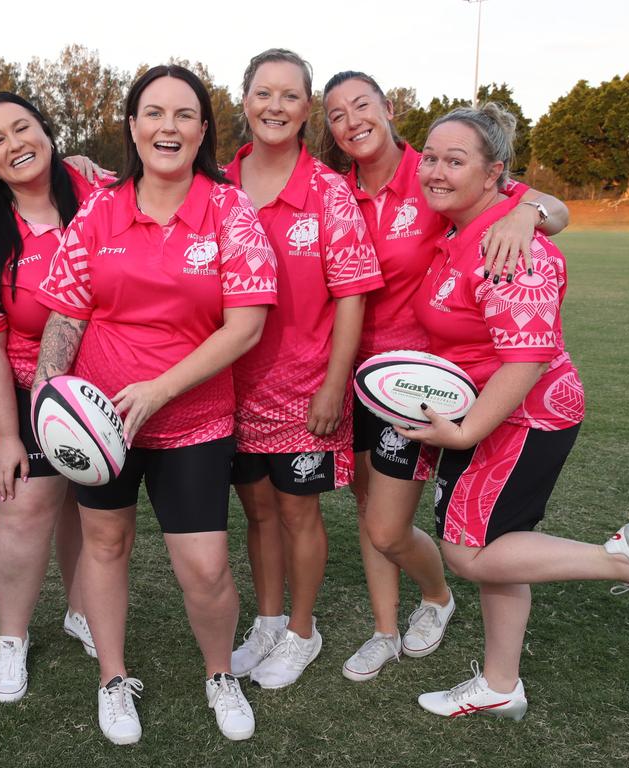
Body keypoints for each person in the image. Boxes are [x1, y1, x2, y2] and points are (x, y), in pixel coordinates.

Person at [33, 65, 278, 744]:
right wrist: (49, 387)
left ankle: (220, 672)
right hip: (98, 421)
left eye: (183, 115)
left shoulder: (230, 210)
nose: (167, 127)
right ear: (133, 126)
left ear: (203, 130)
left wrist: (160, 389)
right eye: (153, 113)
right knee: (104, 547)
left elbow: (246, 325)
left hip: (193, 419)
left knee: (203, 567)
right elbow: (66, 313)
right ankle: (113, 679)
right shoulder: (100, 209)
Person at [401, 103, 629, 719]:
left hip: (524, 416)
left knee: (468, 553)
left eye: (454, 160)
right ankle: (499, 684)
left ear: (495, 174)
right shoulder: (472, 224)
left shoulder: (508, 243)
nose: (436, 170)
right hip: (493, 410)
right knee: (501, 543)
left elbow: (527, 357)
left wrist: (463, 431)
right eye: (430, 158)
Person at [319, 71, 572, 682]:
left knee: (391, 525)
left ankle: (435, 596)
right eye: (334, 114)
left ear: (387, 109)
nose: (352, 120)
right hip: (358, 373)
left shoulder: (433, 174)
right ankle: (385, 630)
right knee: (372, 517)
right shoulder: (331, 189)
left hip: (425, 384)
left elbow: (549, 210)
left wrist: (528, 211)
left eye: (362, 105)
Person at [223, 49, 383, 689]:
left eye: (290, 96)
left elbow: (351, 294)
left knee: (297, 514)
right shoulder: (217, 182)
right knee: (257, 510)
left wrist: (333, 385)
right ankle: (267, 620)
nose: (276, 107)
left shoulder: (329, 191)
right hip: (228, 388)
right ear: (245, 102)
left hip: (303, 391)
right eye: (264, 94)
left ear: (307, 108)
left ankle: (301, 632)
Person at [0, 92, 101, 703]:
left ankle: (82, 610)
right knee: (26, 507)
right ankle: (12, 638)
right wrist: (8, 435)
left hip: (104, 383)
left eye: (23, 128)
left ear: (47, 130)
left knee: (91, 508)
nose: (15, 145)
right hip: (24, 387)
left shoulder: (103, 196)